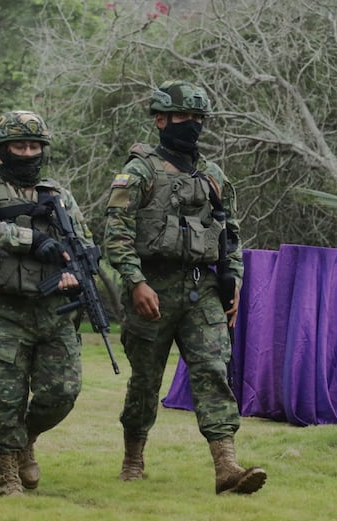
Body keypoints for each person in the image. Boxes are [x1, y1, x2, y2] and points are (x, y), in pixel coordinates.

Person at [103, 80, 267, 494]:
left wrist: (236, 285)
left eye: (198, 118)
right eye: (182, 117)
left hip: (202, 289)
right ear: (161, 120)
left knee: (213, 370)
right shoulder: (137, 171)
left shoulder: (212, 175)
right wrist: (136, 281)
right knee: (146, 380)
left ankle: (227, 466)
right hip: (151, 290)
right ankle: (133, 458)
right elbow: (115, 235)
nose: (191, 125)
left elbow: (231, 234)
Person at [0, 110, 91, 497]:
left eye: (35, 146)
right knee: (6, 396)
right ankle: (8, 475)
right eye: (21, 145)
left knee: (63, 391)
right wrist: (31, 240)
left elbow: (82, 243)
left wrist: (75, 275)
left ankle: (27, 438)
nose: (29, 152)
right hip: (5, 310)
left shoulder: (59, 195)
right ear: (2, 149)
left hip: (53, 309)